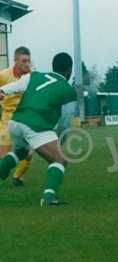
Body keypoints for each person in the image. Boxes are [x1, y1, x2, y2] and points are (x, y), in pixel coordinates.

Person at [0, 53, 77, 206]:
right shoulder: (68, 90)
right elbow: (65, 121)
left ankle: (3, 169)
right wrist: (59, 140)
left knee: (21, 152)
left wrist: (2, 92)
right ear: (69, 71)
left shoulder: (34, 76)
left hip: (15, 122)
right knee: (60, 160)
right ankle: (48, 197)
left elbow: (11, 88)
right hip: (36, 126)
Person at [0, 47, 34, 187]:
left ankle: (17, 177)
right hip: (8, 118)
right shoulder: (3, 75)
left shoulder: (32, 76)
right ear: (15, 61)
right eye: (24, 61)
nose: (27, 64)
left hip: (25, 118)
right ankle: (3, 170)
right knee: (3, 154)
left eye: (28, 60)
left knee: (29, 152)